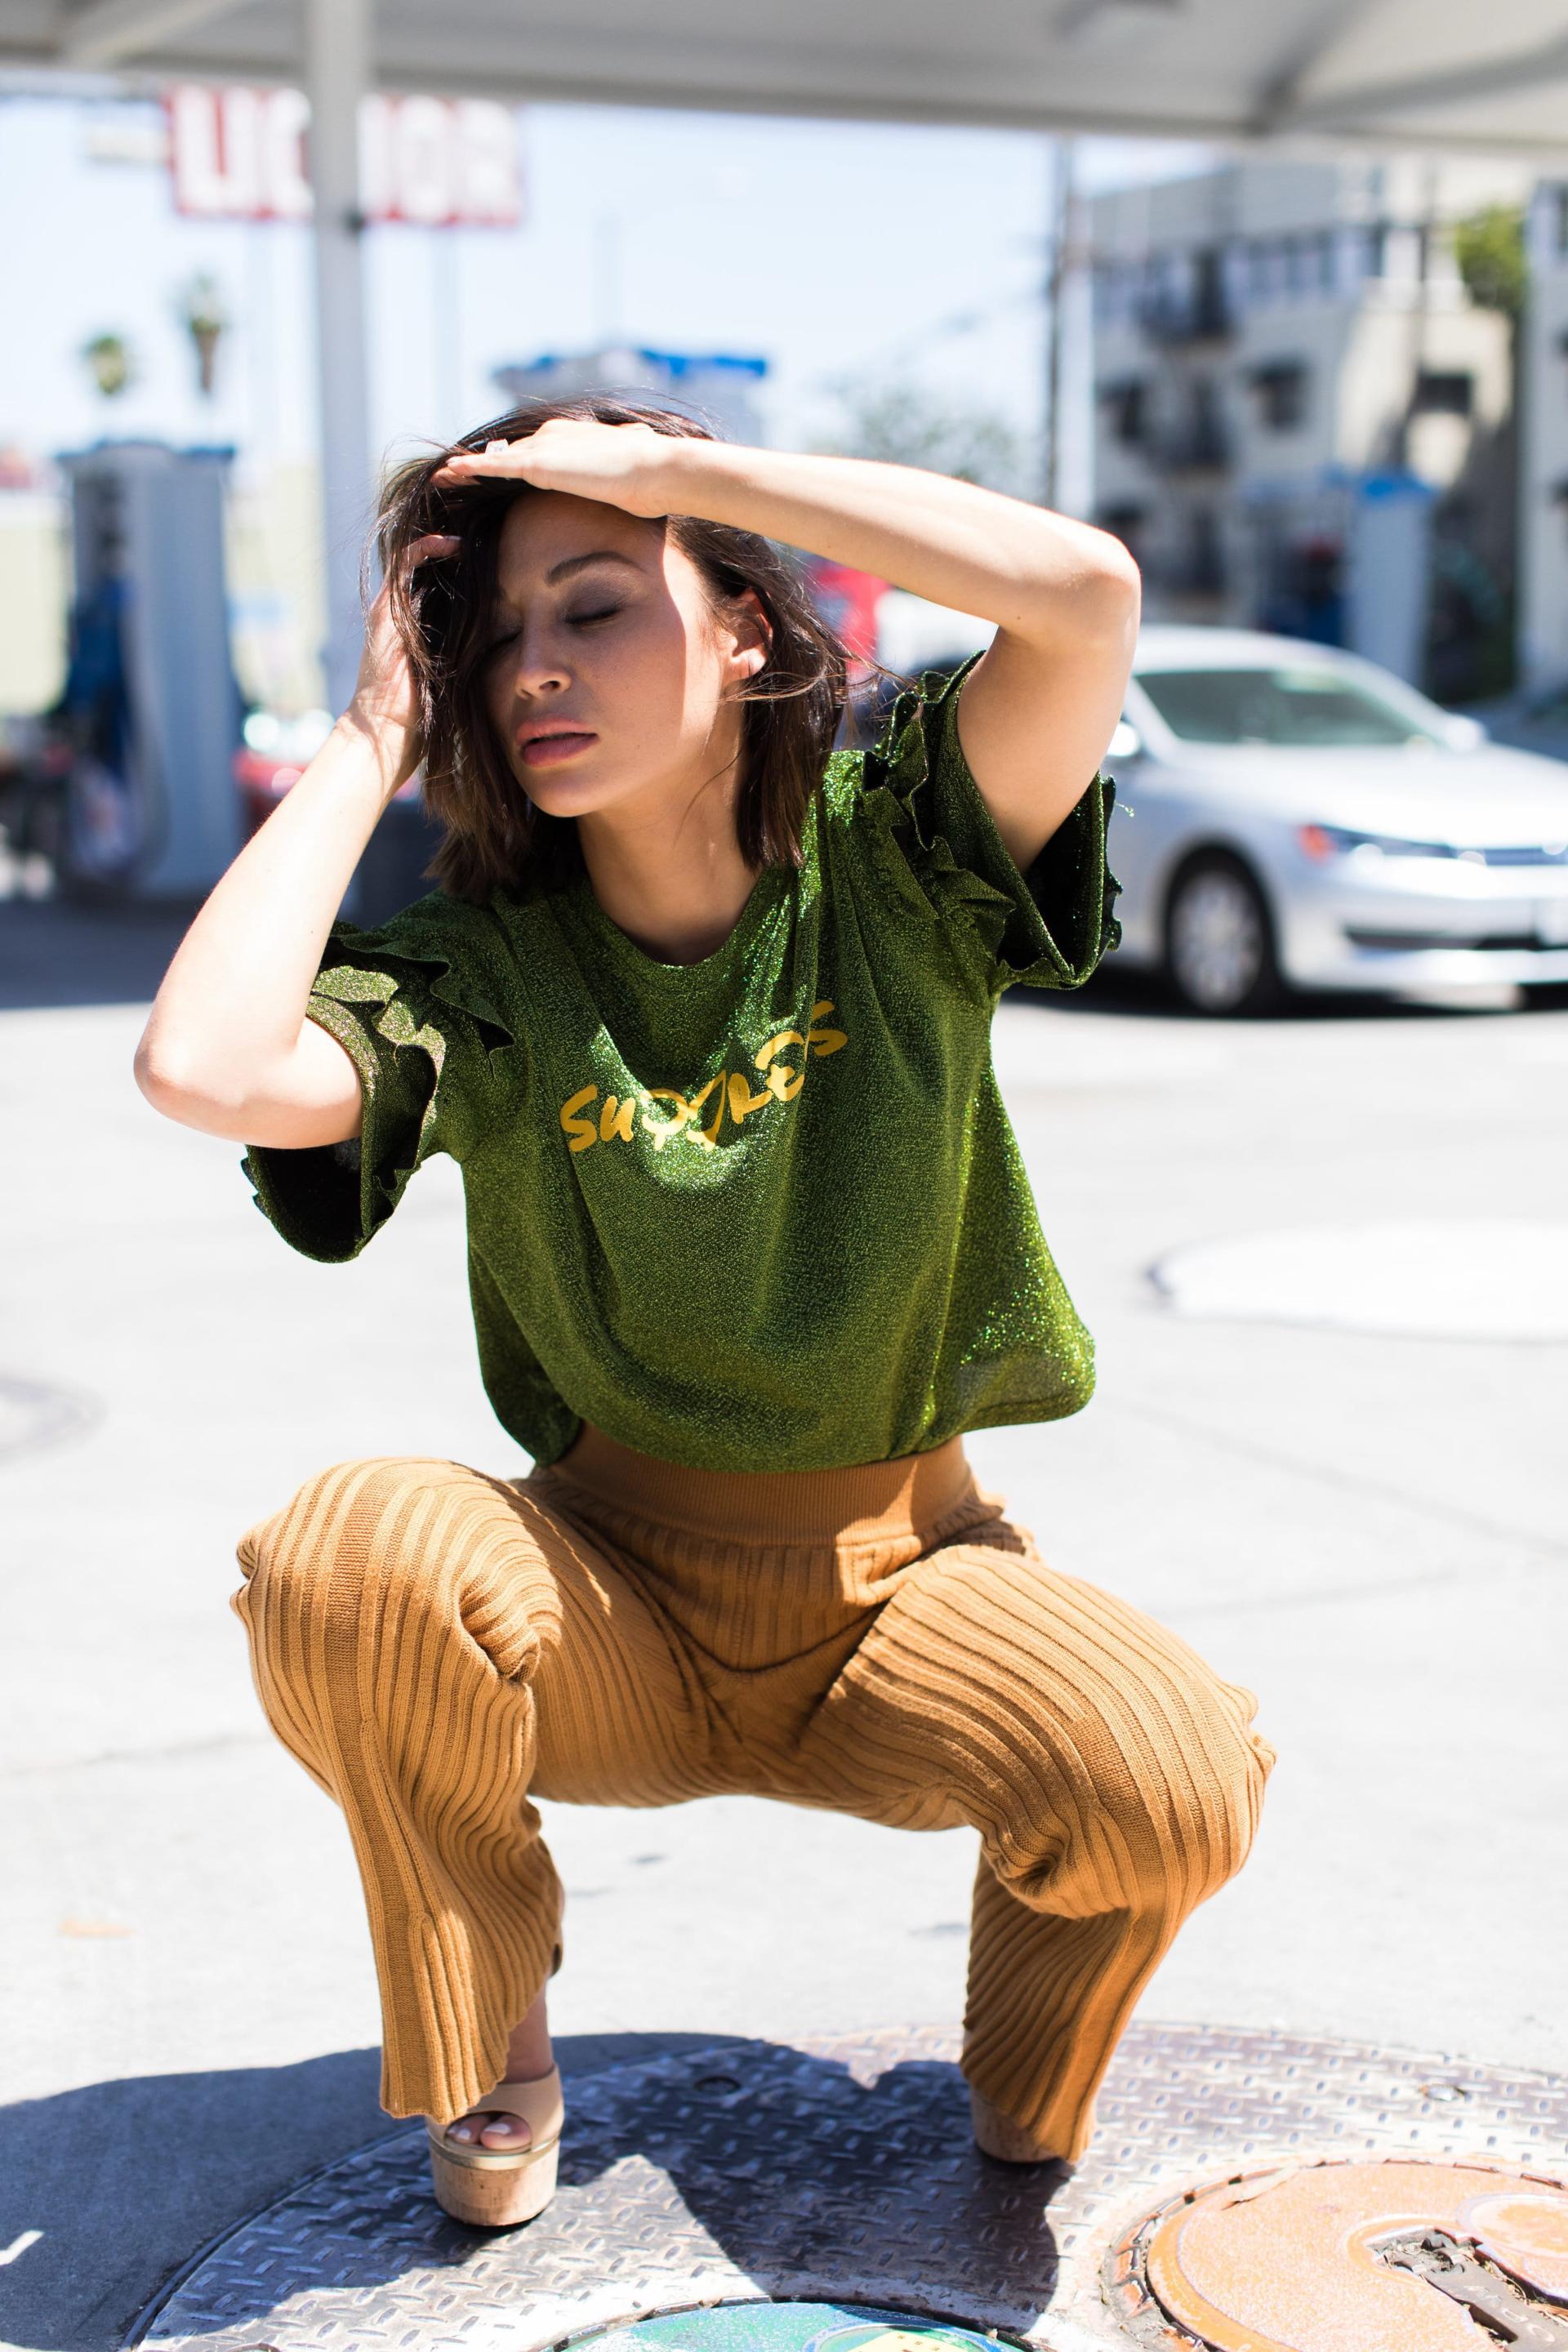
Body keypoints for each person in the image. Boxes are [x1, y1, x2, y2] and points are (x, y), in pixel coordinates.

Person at [136, 399, 1273, 2227]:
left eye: (595, 604)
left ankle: (1028, 2061)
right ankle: (492, 2040)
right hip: (608, 1608)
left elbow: (1085, 598)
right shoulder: (486, 971)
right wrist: (364, 740)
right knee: (351, 1557)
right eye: (498, 635)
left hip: (910, 1595)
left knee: (1169, 1774)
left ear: (743, 627)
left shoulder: (902, 864)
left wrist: (685, 479)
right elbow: (202, 1066)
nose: (535, 667)